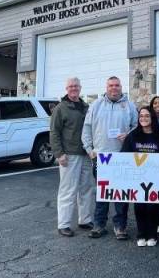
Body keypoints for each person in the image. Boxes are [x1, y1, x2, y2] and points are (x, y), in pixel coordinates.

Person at [81, 76, 138, 240]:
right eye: (111, 85)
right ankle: (99, 225)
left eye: (117, 85)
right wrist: (89, 149)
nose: (114, 88)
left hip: (122, 157)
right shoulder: (96, 105)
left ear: (121, 87)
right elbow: (86, 128)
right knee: (102, 193)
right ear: (106, 87)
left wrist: (128, 135)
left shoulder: (129, 105)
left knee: (121, 194)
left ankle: (120, 226)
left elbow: (137, 126)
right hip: (102, 157)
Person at [50, 77, 95, 237]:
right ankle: (64, 224)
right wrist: (59, 154)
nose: (73, 88)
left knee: (87, 188)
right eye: (70, 86)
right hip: (69, 155)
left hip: (85, 154)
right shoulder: (60, 108)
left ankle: (85, 220)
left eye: (76, 86)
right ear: (66, 88)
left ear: (80, 87)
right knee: (68, 190)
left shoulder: (85, 107)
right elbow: (54, 132)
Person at [121, 107, 159, 247]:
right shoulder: (133, 135)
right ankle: (141, 233)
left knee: (152, 207)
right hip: (138, 178)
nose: (143, 118)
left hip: (156, 178)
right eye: (141, 116)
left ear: (152, 117)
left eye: (147, 115)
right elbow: (124, 155)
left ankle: (152, 234)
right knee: (139, 206)